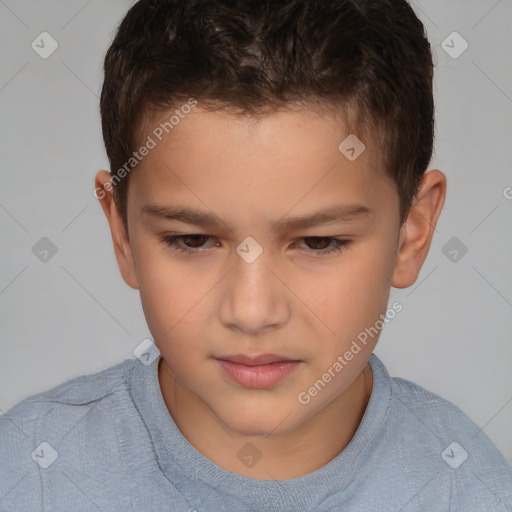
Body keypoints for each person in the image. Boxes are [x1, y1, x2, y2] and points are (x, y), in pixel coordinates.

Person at [1, 0, 511, 510]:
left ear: (411, 233)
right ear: (122, 233)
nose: (251, 311)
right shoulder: (28, 475)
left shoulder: (468, 489)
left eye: (318, 242)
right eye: (193, 240)